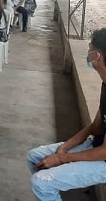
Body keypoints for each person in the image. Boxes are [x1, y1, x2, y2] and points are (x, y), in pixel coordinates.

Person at [26, 28, 106, 200]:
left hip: (103, 160)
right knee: (35, 157)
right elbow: (96, 127)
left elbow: (104, 153)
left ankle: (50, 187)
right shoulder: (105, 83)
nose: (87, 53)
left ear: (97, 56)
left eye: (90, 49)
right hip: (97, 146)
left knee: (40, 182)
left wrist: (63, 159)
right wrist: (65, 147)